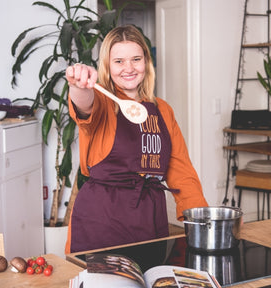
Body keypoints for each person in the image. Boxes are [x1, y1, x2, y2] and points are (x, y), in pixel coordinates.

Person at [65, 25, 208, 254]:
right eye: (119, 61)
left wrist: (202, 221)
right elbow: (83, 105)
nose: (128, 68)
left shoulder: (163, 110)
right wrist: (78, 84)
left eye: (136, 59)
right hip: (102, 218)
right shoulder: (102, 104)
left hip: (150, 217)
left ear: (146, 62)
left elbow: (181, 170)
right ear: (107, 66)